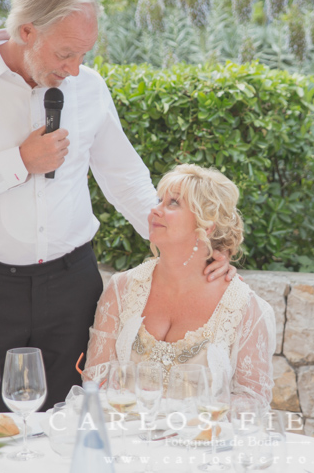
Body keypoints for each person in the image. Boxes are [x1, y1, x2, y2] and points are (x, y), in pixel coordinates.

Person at [0, 0, 233, 411]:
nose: (75, 68)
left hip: (73, 291)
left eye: (83, 54)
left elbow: (126, 178)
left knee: (73, 425)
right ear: (26, 32)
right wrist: (18, 162)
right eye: (65, 53)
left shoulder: (89, 87)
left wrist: (196, 251)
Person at [85, 164, 276, 407]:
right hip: (126, 437)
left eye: (172, 203)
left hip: (199, 441)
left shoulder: (244, 308)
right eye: (158, 200)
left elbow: (254, 401)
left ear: (207, 226)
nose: (155, 209)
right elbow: (95, 380)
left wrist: (180, 417)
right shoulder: (121, 289)